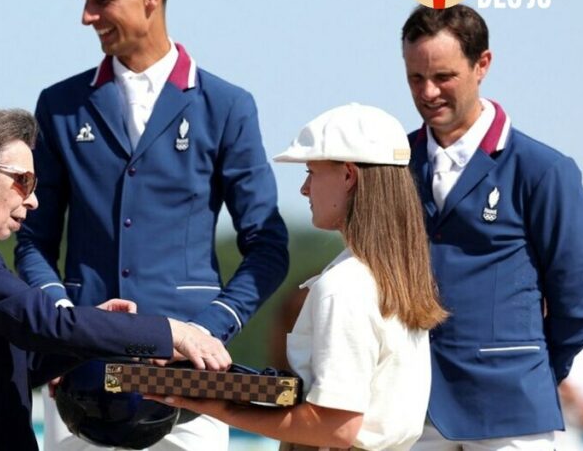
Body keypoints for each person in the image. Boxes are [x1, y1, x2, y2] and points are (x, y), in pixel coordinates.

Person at [15, 0, 289, 450]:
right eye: (85, 2)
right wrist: (61, 321)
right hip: (80, 373)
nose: (87, 17)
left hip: (188, 378)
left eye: (101, 0)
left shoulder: (227, 105)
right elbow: (32, 241)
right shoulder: (59, 104)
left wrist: (208, 331)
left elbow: (268, 247)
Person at [0, 109, 231, 451]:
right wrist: (172, 332)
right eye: (23, 181)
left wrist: (95, 335)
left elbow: (20, 358)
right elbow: (47, 322)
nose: (33, 200)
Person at [154, 104, 449, 450]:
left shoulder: (344, 287)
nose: (304, 189)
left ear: (349, 176)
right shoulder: (395, 279)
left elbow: (336, 427)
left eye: (311, 172)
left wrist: (221, 408)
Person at [400, 4, 583, 450]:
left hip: (512, 412)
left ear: (482, 64)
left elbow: (576, 298)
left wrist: (530, 370)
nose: (428, 92)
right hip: (413, 410)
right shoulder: (393, 165)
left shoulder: (543, 169)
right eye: (416, 78)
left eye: (443, 77)